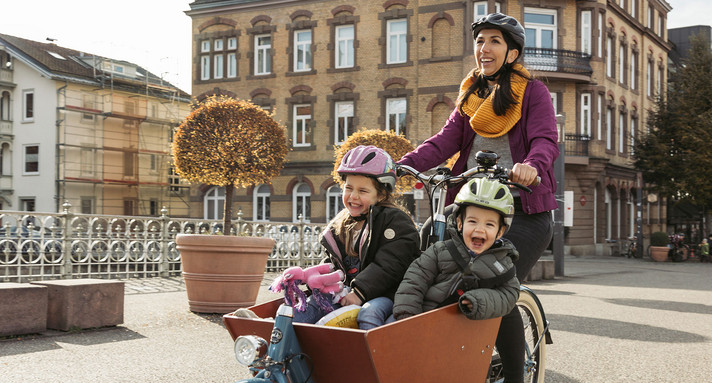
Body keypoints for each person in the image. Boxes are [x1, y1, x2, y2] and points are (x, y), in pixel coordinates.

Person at [396, 12, 559, 383]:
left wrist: (531, 165)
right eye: (480, 41)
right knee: (425, 266)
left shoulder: (533, 92)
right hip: (471, 206)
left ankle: (516, 377)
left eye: (494, 42)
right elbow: (444, 141)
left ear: (512, 53)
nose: (484, 49)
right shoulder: (472, 93)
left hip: (522, 210)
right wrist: (400, 167)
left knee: (496, 285)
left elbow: (545, 140)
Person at [292, 145, 421, 330]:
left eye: (363, 191)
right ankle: (280, 331)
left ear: (381, 194)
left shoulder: (395, 222)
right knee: (312, 303)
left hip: (386, 294)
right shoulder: (340, 225)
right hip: (346, 293)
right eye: (349, 188)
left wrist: (360, 292)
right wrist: (314, 283)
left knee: (369, 313)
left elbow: (390, 264)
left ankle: (368, 357)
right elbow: (332, 264)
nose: (353, 196)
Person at [393, 177, 520, 321]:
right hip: (423, 319)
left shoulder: (503, 264)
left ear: (500, 232)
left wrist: (479, 301)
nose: (479, 229)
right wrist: (408, 314)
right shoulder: (439, 251)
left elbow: (509, 294)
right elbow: (414, 281)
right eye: (472, 221)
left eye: (489, 225)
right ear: (460, 223)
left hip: (464, 329)